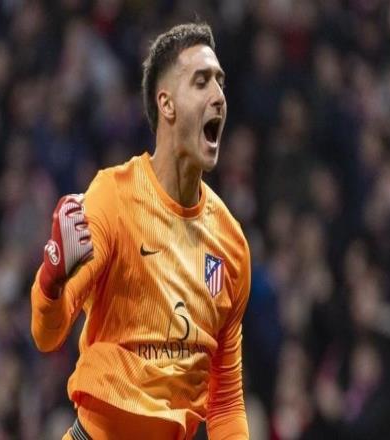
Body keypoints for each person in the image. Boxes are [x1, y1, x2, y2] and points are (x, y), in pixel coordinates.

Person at [30, 22, 251, 440]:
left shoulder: (231, 242)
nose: (219, 96)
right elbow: (47, 335)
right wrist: (51, 281)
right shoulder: (112, 199)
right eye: (202, 81)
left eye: (221, 83)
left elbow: (225, 401)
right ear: (166, 104)